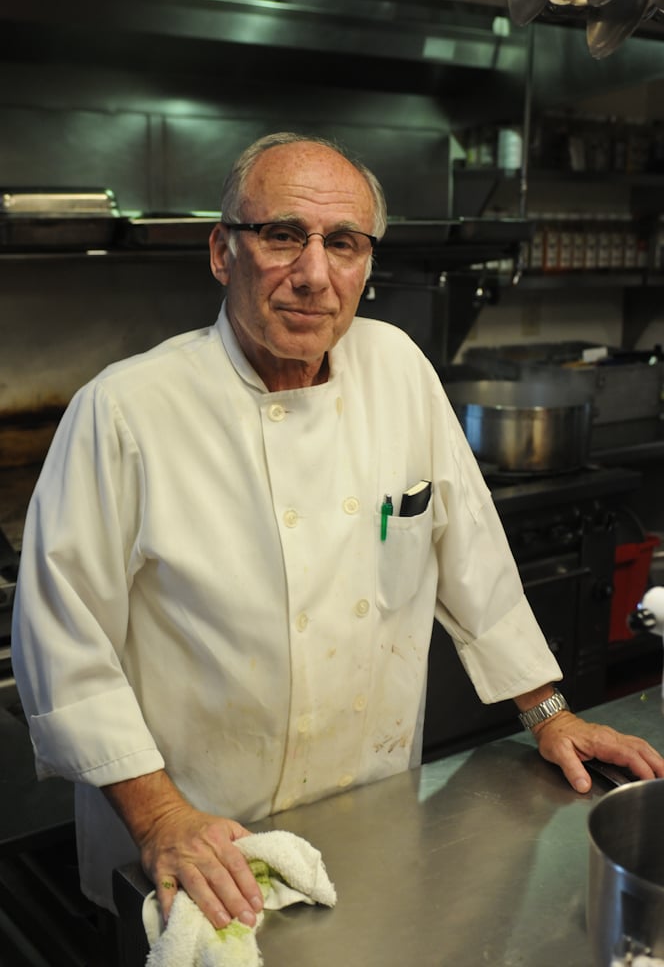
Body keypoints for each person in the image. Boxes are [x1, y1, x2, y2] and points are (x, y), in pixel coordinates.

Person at [11, 131, 664, 933]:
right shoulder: (126, 409)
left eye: (344, 244)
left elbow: (474, 560)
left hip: (369, 811)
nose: (314, 274)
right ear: (223, 252)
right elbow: (63, 640)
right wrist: (158, 819)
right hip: (196, 838)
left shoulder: (398, 368)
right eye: (283, 235)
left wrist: (549, 713)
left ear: (367, 263)